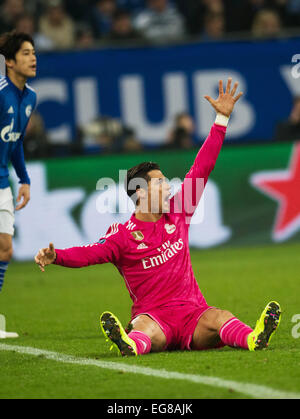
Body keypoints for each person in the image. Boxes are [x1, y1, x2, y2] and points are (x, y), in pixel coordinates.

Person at [34, 78, 282, 356]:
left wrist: (221, 119)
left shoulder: (179, 209)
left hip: (193, 315)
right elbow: (91, 253)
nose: (168, 187)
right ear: (140, 192)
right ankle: (131, 344)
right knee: (144, 327)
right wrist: (58, 257)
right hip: (156, 318)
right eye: (160, 183)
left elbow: (203, 166)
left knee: (220, 317)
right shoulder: (124, 235)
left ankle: (253, 337)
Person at [0, 31, 37, 337]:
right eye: (25, 53)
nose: (33, 57)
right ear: (9, 61)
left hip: (2, 182)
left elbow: (15, 141)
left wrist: (23, 178)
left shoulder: (30, 97)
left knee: (4, 249)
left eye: (33, 52)